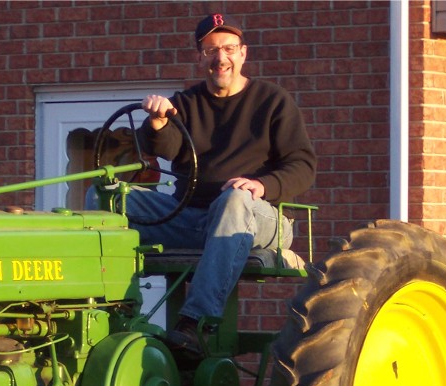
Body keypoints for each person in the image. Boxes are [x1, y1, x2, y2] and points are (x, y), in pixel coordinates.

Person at [128, 13, 316, 355]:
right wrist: (156, 123)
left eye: (228, 48)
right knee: (115, 199)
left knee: (234, 198)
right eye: (211, 49)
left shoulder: (273, 101)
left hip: (260, 220)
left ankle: (196, 324)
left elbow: (303, 166)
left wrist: (262, 185)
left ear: (243, 53)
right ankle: (118, 310)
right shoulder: (184, 104)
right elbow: (166, 149)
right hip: (191, 217)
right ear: (201, 56)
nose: (221, 57)